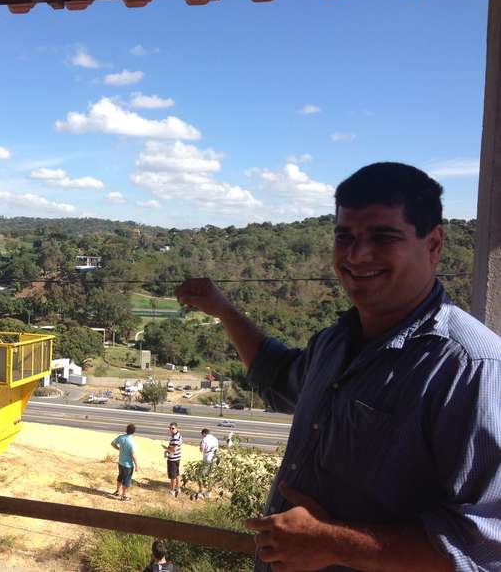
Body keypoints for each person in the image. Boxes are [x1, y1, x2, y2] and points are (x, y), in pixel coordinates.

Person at [175, 162, 501, 572]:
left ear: (433, 244)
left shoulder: (470, 367)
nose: (356, 255)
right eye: (344, 236)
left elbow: (486, 548)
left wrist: (334, 544)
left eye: (384, 237)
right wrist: (222, 310)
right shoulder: (336, 340)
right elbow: (281, 377)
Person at [111, 423, 139, 501]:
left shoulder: (121, 437)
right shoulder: (132, 442)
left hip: (120, 462)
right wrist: (137, 465)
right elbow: (133, 455)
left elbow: (112, 443)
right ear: (133, 432)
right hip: (128, 465)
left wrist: (118, 449)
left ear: (126, 430)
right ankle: (124, 496)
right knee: (126, 480)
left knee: (120, 476)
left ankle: (117, 491)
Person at [197, 428, 219, 499]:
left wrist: (200, 445)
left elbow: (201, 449)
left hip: (207, 457)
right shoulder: (215, 439)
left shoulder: (204, 439)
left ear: (204, 434)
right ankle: (208, 493)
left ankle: (200, 492)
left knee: (200, 475)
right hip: (215, 458)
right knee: (211, 475)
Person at [162, 422, 182, 497]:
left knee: (173, 476)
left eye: (172, 428)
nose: (171, 430)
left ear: (176, 428)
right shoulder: (178, 435)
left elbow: (173, 450)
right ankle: (178, 488)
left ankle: (172, 490)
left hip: (173, 459)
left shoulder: (175, 438)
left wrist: (166, 449)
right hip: (177, 457)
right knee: (177, 474)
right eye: (170, 428)